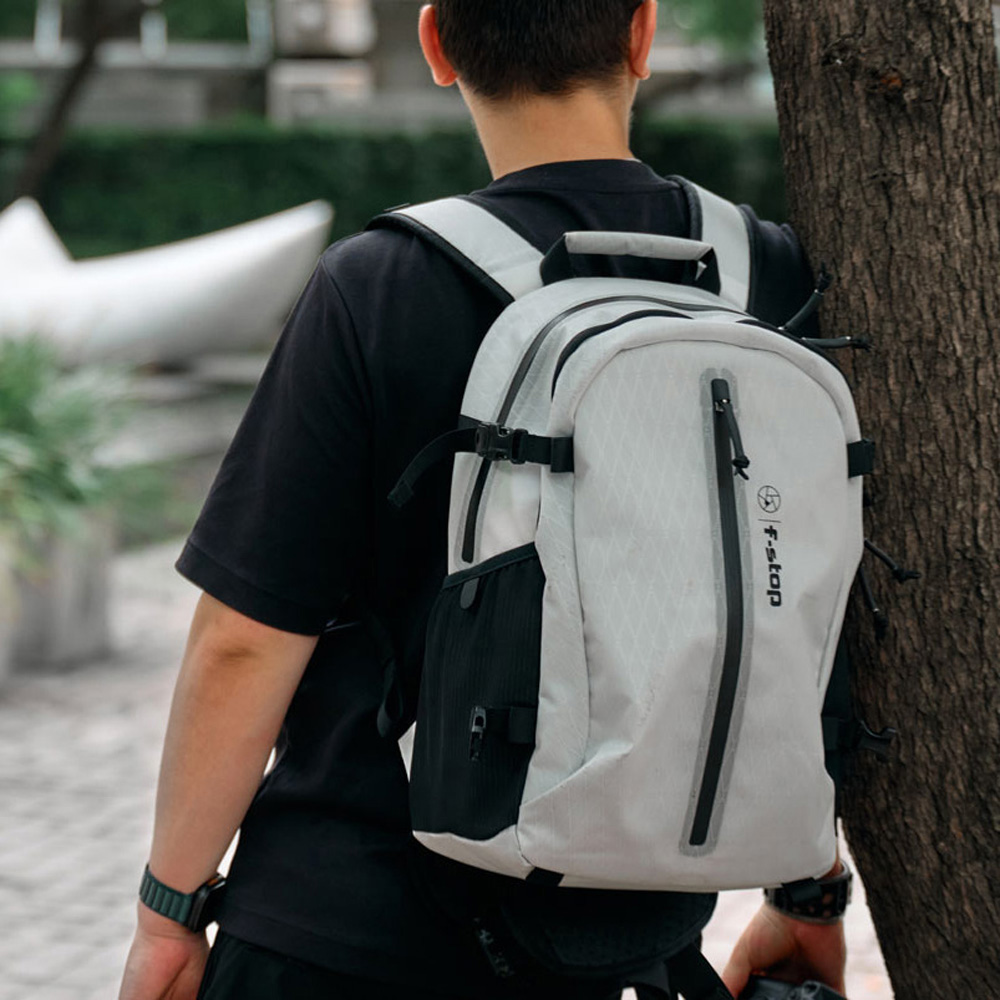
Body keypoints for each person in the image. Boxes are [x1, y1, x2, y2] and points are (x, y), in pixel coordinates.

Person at [117, 3, 848, 998]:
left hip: (346, 927)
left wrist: (169, 912)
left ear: (436, 44)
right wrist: (810, 894)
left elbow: (244, 642)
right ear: (642, 33)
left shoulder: (378, 285)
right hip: (626, 939)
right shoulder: (766, 276)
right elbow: (800, 610)